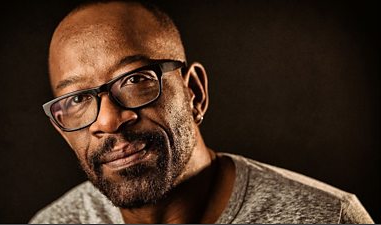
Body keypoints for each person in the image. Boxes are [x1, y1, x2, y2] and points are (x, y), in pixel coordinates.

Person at [30, 0, 374, 223]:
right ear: (62, 130)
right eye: (76, 99)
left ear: (194, 92)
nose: (108, 120)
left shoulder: (328, 218)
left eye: (135, 79)